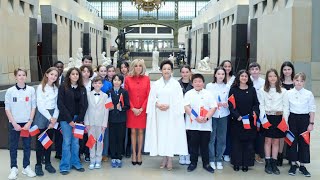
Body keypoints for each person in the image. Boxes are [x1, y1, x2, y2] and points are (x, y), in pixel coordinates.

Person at [145, 60, 188, 171]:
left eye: (169, 69)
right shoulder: (156, 84)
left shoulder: (176, 84)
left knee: (170, 135)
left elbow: (179, 100)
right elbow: (152, 98)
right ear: (161, 70)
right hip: (160, 115)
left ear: (172, 71)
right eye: (164, 69)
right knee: (162, 135)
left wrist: (169, 105)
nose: (166, 71)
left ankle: (169, 159)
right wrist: (157, 104)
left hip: (171, 115)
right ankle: (164, 157)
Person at [5, 68, 37, 179]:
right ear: (15, 77)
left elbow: (33, 107)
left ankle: (26, 167)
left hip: (27, 123)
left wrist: (29, 122)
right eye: (19, 75)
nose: (22, 77)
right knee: (13, 146)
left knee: (27, 146)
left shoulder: (31, 90)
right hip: (14, 124)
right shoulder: (10, 91)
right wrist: (14, 123)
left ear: (26, 76)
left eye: (23, 75)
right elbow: (7, 109)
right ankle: (13, 168)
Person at [184, 73, 217, 173]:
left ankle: (206, 164)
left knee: (204, 145)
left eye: (200, 81)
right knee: (193, 145)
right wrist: (196, 118)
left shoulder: (208, 94)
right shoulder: (189, 93)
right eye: (195, 82)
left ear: (203, 83)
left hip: (205, 125)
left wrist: (206, 118)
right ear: (192, 83)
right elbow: (186, 107)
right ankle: (193, 163)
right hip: (192, 124)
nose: (198, 83)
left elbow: (213, 107)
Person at [58, 67, 88, 175]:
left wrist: (79, 120)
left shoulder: (82, 88)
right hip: (66, 119)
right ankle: (65, 165)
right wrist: (70, 120)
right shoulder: (63, 87)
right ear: (69, 76)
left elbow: (85, 105)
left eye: (77, 74)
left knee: (76, 143)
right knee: (67, 142)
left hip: (78, 120)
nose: (75, 76)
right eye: (73, 74)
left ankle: (75, 162)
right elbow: (60, 104)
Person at [228, 70, 259, 172]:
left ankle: (246, 164)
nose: (244, 78)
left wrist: (254, 112)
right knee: (236, 143)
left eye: (246, 76)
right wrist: (237, 116)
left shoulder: (252, 90)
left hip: (249, 120)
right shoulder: (233, 90)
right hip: (237, 120)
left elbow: (256, 104)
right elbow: (231, 105)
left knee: (248, 143)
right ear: (238, 77)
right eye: (242, 76)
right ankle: (236, 163)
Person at [286, 72, 315, 177]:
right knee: (292, 142)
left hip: (304, 119)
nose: (299, 83)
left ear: (304, 82)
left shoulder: (309, 94)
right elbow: (287, 109)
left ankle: (302, 165)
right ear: (293, 81)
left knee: (304, 142)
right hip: (292, 119)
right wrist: (286, 122)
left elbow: (312, 109)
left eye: (301, 81)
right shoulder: (288, 93)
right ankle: (293, 164)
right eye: (297, 80)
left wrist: (311, 123)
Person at [259, 69, 288, 175]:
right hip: (267, 117)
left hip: (278, 117)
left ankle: (274, 163)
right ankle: (267, 162)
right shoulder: (262, 90)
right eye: (270, 76)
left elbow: (286, 106)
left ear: (277, 77)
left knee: (276, 141)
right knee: (267, 141)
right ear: (267, 78)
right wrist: (263, 119)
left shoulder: (283, 91)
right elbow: (261, 105)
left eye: (274, 76)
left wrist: (285, 120)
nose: (272, 78)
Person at [33, 67, 60, 176]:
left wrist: (54, 118)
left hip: (53, 116)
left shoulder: (56, 88)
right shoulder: (40, 87)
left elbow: (57, 105)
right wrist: (50, 118)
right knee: (40, 142)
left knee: (48, 141)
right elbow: (40, 105)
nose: (53, 77)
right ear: (47, 74)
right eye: (52, 74)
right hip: (42, 115)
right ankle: (38, 165)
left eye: (56, 75)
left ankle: (48, 163)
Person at [124, 59, 150, 165]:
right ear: (133, 67)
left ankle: (139, 153)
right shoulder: (128, 79)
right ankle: (133, 153)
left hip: (142, 110)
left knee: (141, 132)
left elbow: (149, 95)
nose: (138, 67)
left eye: (140, 66)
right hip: (132, 110)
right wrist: (133, 108)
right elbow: (126, 95)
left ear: (143, 67)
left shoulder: (147, 79)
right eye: (136, 66)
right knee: (133, 132)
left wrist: (142, 108)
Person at [206, 67, 230, 170]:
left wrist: (227, 104)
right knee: (211, 138)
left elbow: (231, 100)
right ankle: (211, 159)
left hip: (223, 115)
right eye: (219, 74)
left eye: (223, 74)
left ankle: (219, 159)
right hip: (212, 115)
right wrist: (215, 104)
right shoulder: (209, 86)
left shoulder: (227, 87)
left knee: (222, 138)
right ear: (215, 75)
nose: (221, 76)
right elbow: (207, 100)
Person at [84, 77, 109, 170]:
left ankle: (98, 160)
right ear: (92, 84)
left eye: (99, 83)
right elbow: (85, 109)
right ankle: (92, 160)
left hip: (100, 123)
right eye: (95, 83)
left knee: (100, 141)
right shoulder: (88, 95)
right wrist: (86, 122)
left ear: (102, 85)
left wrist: (104, 123)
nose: (97, 85)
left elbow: (106, 110)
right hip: (90, 122)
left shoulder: (106, 96)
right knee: (91, 141)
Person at [108, 74, 130, 168]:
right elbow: (105, 104)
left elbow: (128, 106)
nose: (116, 82)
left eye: (118, 80)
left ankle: (119, 157)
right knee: (112, 138)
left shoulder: (124, 92)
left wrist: (121, 108)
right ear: (112, 81)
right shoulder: (109, 92)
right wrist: (109, 107)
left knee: (120, 138)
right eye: (115, 80)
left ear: (121, 82)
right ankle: (113, 157)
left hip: (121, 119)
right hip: (112, 119)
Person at [278, 61, 295, 166]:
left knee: (291, 135)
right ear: (282, 71)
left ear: (292, 70)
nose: (287, 71)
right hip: (281, 112)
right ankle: (280, 156)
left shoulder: (296, 81)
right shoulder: (279, 82)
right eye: (285, 69)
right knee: (281, 136)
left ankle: (291, 156)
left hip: (293, 112)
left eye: (289, 69)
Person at [249, 62, 265, 164]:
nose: (254, 71)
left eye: (256, 69)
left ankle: (258, 154)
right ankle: (250, 154)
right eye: (252, 69)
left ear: (259, 70)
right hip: (249, 110)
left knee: (260, 133)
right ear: (249, 71)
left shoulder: (263, 82)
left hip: (261, 110)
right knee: (250, 133)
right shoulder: (246, 80)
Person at [219, 60, 235, 162]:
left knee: (228, 132)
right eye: (225, 66)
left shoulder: (234, 79)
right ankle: (219, 153)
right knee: (219, 133)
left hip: (231, 110)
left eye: (229, 66)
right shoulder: (218, 78)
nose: (227, 68)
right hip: (219, 110)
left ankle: (226, 153)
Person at [178, 65, 193, 165]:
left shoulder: (194, 83)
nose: (185, 74)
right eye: (183, 72)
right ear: (180, 73)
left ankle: (188, 153)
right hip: (180, 112)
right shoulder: (176, 84)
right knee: (181, 133)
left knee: (190, 134)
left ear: (190, 72)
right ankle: (181, 153)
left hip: (191, 112)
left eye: (187, 72)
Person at [79, 65, 94, 162]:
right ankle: (80, 152)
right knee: (80, 133)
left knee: (89, 133)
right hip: (80, 111)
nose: (86, 73)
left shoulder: (93, 83)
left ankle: (88, 152)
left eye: (88, 71)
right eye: (84, 71)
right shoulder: (78, 83)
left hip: (91, 111)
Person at [120, 61, 131, 158]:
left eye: (125, 67)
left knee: (130, 129)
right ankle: (121, 148)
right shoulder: (118, 78)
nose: (123, 69)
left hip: (129, 105)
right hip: (121, 107)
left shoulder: (130, 77)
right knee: (122, 129)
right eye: (121, 67)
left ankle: (128, 148)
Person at [53, 61, 64, 160]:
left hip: (62, 112)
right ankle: (44, 154)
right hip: (51, 112)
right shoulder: (51, 80)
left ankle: (59, 152)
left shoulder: (66, 80)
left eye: (61, 67)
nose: (59, 69)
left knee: (60, 133)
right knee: (50, 133)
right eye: (57, 67)